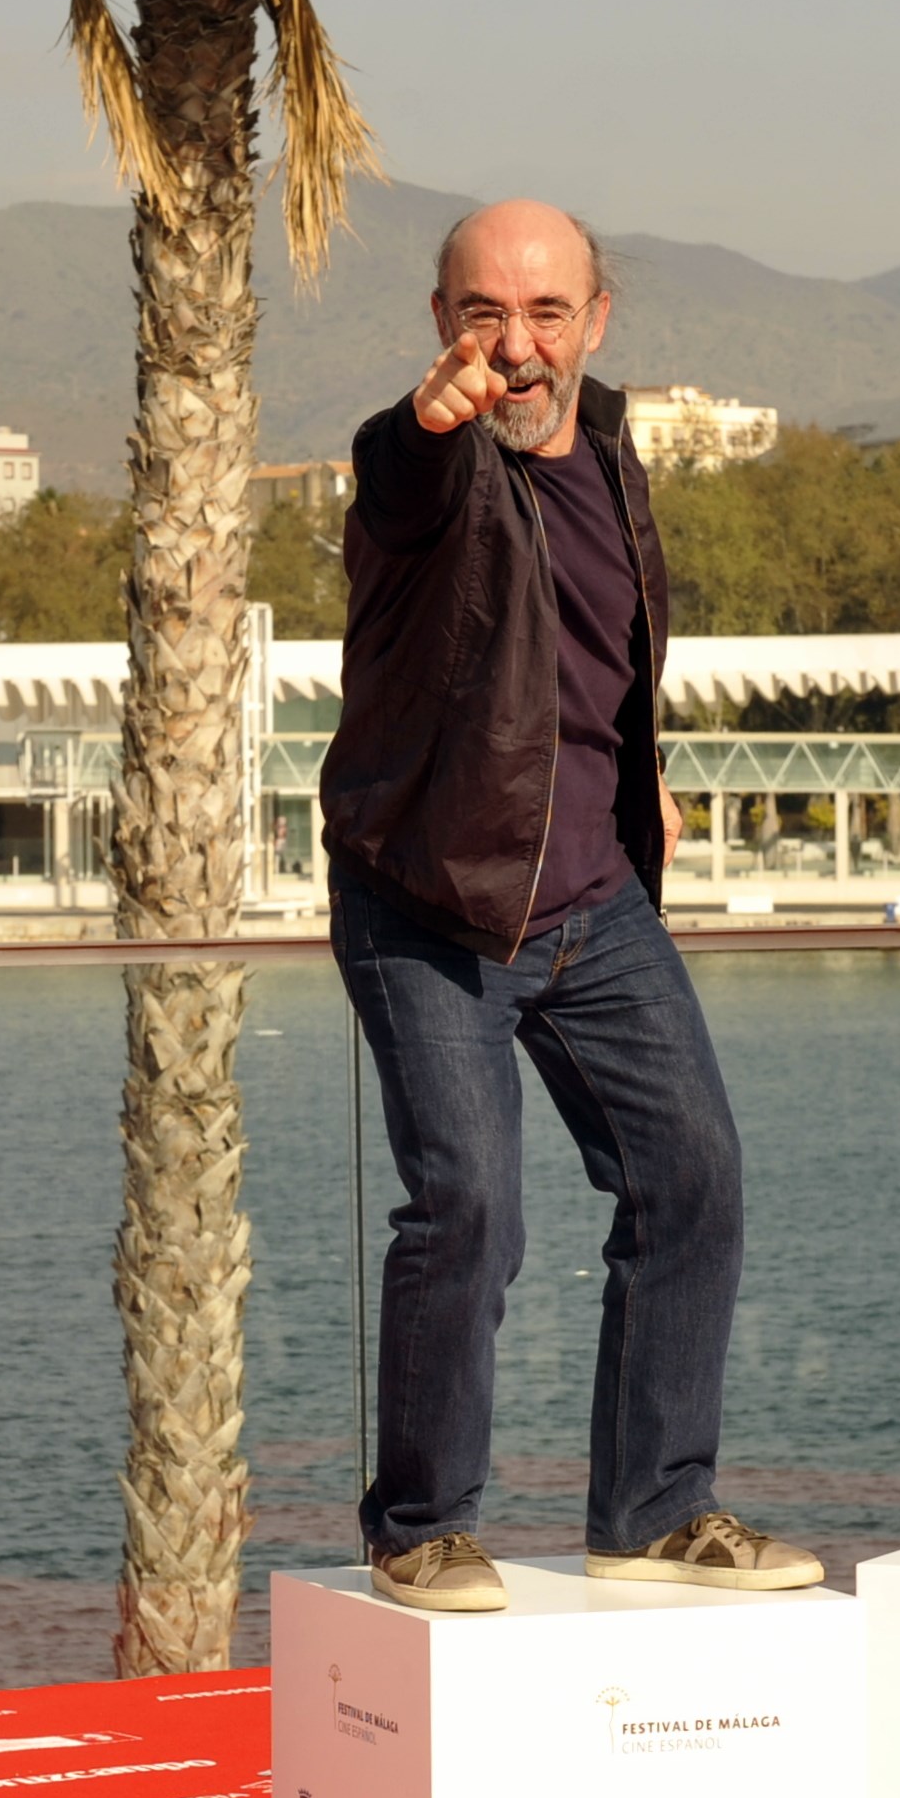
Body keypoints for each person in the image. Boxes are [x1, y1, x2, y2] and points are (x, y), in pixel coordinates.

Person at [318, 198, 821, 1615]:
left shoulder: (608, 447)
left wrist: (634, 774)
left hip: (597, 902)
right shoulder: (423, 468)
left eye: (546, 313)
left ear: (596, 322)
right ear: (442, 325)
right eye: (485, 314)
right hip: (432, 901)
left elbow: (603, 649)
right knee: (469, 1206)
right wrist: (429, 423)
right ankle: (420, 1527)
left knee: (693, 1176)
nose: (517, 346)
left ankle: (653, 1511)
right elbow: (397, 475)